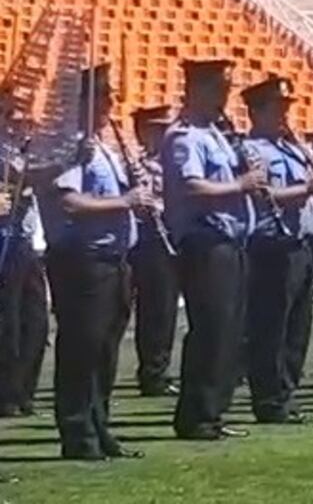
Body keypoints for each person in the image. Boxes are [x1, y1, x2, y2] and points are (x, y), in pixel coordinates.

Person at [42, 64, 151, 460]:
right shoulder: (70, 146)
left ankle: (99, 425)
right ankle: (78, 432)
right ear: (83, 100)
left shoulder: (105, 145)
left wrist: (139, 194)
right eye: (103, 96)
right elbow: (70, 202)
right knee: (82, 347)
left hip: (113, 259)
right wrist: (125, 201)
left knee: (105, 349)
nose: (110, 104)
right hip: (83, 259)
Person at [163, 58, 261, 440]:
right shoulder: (185, 136)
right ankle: (197, 415)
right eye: (219, 89)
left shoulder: (217, 134)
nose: (225, 96)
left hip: (230, 240)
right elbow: (192, 186)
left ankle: (214, 411)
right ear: (198, 89)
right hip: (205, 241)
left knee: (229, 330)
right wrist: (241, 184)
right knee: (211, 328)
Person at [240, 75, 313, 424]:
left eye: (285, 108)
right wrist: (308, 188)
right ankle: (269, 399)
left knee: (297, 327)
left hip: (300, 243)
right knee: (271, 327)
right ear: (256, 111)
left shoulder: (291, 148)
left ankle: (287, 392)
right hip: (271, 245)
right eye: (276, 108)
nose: (284, 115)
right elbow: (264, 195)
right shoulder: (251, 150)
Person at [0, 93, 49, 418]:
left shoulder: (27, 153)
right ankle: (6, 392)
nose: (19, 126)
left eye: (23, 120)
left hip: (28, 242)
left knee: (35, 321)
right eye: (12, 119)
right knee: (8, 323)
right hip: (5, 242)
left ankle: (25, 389)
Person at [129, 105, 181, 398]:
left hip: (171, 238)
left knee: (165, 309)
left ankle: (159, 369)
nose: (164, 135)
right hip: (146, 241)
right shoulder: (136, 164)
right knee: (152, 309)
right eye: (157, 129)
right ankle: (152, 373)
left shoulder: (171, 162)